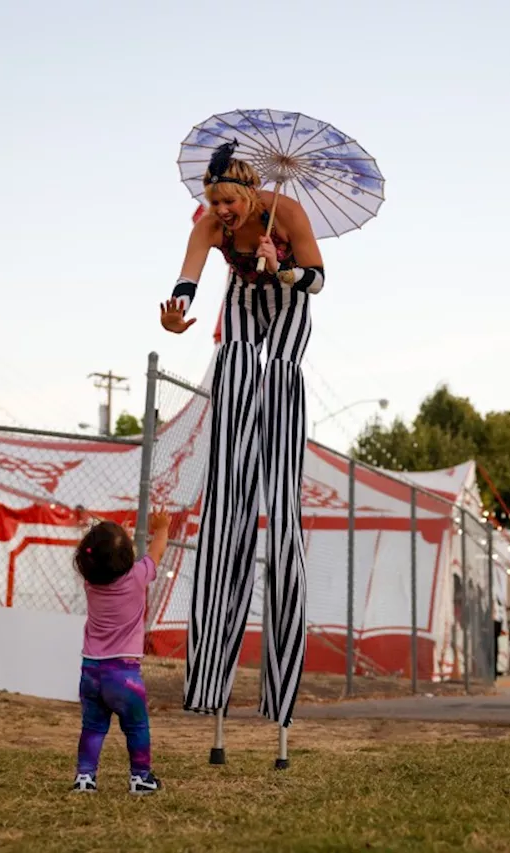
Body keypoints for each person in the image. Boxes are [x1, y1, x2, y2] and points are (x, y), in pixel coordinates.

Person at [159, 142, 325, 749]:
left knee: (277, 388)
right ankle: (209, 683)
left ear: (249, 193)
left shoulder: (288, 213)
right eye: (214, 201)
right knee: (233, 368)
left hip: (287, 308)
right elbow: (189, 277)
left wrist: (280, 267)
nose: (222, 211)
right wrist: (176, 313)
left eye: (229, 200)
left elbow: (319, 279)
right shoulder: (210, 225)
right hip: (244, 308)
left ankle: (279, 696)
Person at [71, 508, 170, 794]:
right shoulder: (138, 576)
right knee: (137, 727)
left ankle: (85, 778)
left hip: (91, 672)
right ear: (127, 557)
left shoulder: (91, 583)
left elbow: (103, 556)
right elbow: (157, 552)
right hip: (124, 675)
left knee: (92, 727)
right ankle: (140, 778)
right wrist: (161, 527)